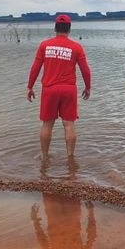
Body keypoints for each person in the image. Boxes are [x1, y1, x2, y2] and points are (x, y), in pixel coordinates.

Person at [27, 14, 91, 157]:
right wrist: (88, 87)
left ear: (55, 28)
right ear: (69, 29)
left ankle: (44, 157)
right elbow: (85, 70)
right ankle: (70, 158)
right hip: (68, 90)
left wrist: (30, 87)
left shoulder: (44, 45)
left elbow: (35, 68)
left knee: (47, 124)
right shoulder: (76, 47)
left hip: (49, 89)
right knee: (69, 124)